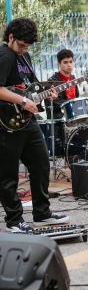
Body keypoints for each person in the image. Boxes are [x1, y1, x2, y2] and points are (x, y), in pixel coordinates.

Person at [0, 17, 69, 232]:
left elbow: (31, 88)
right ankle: (14, 221)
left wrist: (46, 94)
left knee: (41, 163)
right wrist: (22, 101)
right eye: (20, 45)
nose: (23, 50)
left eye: (27, 47)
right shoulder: (4, 56)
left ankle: (42, 213)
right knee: (7, 173)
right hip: (6, 122)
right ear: (10, 37)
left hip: (27, 120)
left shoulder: (24, 56)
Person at [45, 49, 79, 120]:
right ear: (59, 63)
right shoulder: (51, 82)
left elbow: (76, 97)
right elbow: (55, 104)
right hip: (59, 120)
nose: (69, 65)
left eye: (71, 62)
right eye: (65, 62)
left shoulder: (73, 78)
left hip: (74, 116)